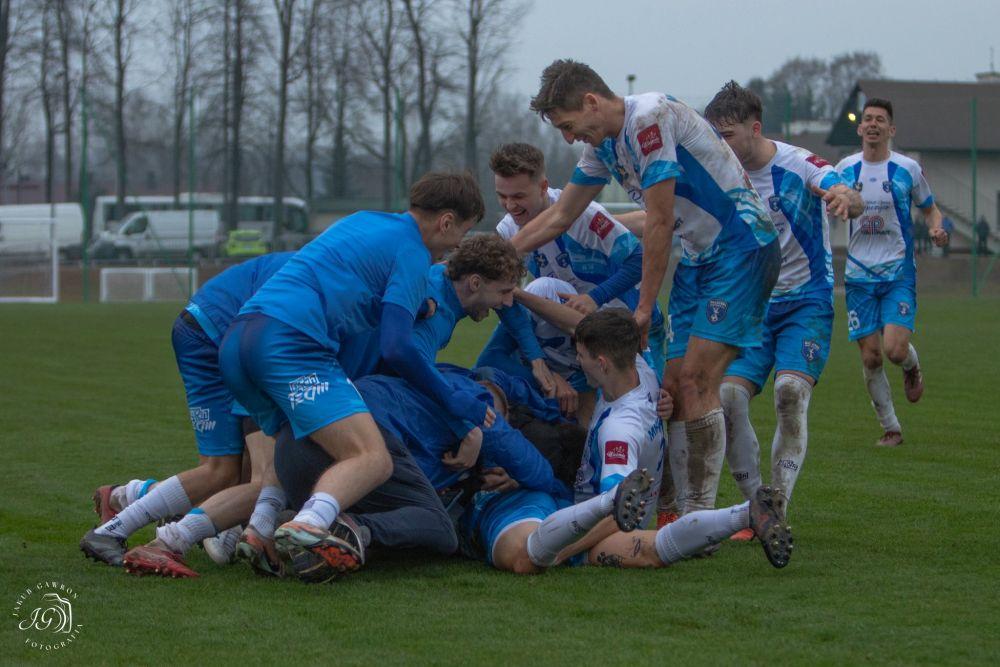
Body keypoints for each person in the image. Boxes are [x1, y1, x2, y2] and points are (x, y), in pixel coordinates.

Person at [510, 60, 779, 521]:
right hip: (700, 257)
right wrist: (500, 257)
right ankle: (673, 512)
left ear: (592, 102)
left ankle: (700, 518)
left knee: (696, 382)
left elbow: (658, 220)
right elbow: (559, 217)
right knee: (670, 389)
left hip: (741, 247)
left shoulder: (648, 118)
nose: (569, 139)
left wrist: (644, 306)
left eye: (569, 126)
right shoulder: (604, 147)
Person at [217, 172, 495, 583]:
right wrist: (452, 399)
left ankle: (255, 530)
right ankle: (311, 524)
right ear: (447, 220)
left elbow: (353, 284)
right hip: (291, 344)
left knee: (287, 439)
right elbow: (396, 347)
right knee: (372, 458)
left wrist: (417, 308)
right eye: (464, 231)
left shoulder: (365, 219)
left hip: (240, 340)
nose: (456, 246)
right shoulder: (415, 253)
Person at [460, 310, 794, 573]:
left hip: (595, 521)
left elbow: (615, 511)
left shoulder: (619, 432)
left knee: (634, 551)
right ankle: (748, 513)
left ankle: (745, 515)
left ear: (602, 362)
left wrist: (566, 551)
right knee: (652, 552)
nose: (579, 362)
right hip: (632, 505)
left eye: (582, 356)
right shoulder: (639, 368)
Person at [702, 81, 863, 532]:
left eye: (728, 135)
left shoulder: (797, 164)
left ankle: (780, 506)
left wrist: (844, 198)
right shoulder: (718, 174)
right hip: (751, 305)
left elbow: (844, 188)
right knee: (728, 399)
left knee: (789, 396)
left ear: (755, 128)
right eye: (716, 137)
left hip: (806, 301)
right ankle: (759, 507)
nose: (722, 146)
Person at [79, 253, 293, 568]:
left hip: (216, 330)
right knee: (229, 473)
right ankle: (115, 530)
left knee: (238, 468)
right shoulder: (328, 277)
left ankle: (126, 497)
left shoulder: (322, 264)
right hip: (216, 337)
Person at [487, 142, 667, 384]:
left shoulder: (583, 214)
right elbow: (506, 298)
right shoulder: (507, 230)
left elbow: (639, 259)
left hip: (631, 325)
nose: (510, 206)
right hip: (581, 331)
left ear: (542, 187)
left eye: (519, 196)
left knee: (651, 404)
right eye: (502, 196)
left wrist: (596, 297)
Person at [835, 98, 947, 447]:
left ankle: (911, 367)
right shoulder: (844, 169)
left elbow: (931, 209)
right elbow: (826, 205)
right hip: (858, 275)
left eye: (880, 120)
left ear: (891, 129)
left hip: (897, 269)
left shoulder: (907, 169)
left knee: (895, 350)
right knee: (871, 355)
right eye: (867, 119)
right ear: (859, 128)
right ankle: (891, 428)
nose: (872, 125)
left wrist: (936, 229)